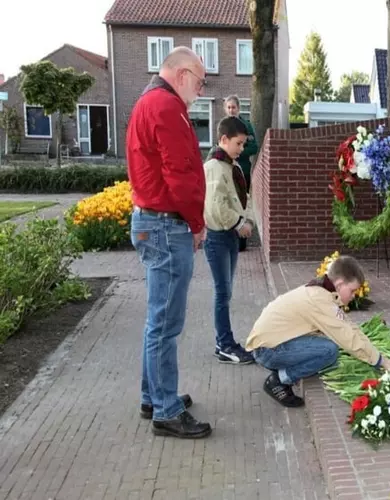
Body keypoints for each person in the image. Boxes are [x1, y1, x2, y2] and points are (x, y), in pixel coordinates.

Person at [127, 46, 211, 439]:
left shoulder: (149, 102)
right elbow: (180, 175)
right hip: (166, 225)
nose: (201, 87)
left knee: (157, 319)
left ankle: (153, 395)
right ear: (181, 75)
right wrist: (196, 223)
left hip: (152, 222)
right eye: (200, 79)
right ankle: (166, 409)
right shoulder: (166, 107)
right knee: (166, 323)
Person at [246, 255, 390, 407]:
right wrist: (382, 362)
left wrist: (378, 356)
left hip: (269, 345)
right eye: (352, 290)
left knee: (328, 342)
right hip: (267, 351)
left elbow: (349, 327)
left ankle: (283, 370)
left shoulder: (321, 290)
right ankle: (279, 380)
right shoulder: (320, 300)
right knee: (329, 351)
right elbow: (347, 337)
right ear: (339, 284)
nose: (353, 296)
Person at [203, 116, 256, 364]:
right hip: (219, 237)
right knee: (222, 293)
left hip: (230, 237)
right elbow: (215, 207)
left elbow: (240, 197)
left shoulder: (230, 165)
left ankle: (224, 342)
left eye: (244, 144)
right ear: (223, 139)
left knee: (226, 292)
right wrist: (239, 224)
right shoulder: (214, 167)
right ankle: (224, 344)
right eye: (238, 143)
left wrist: (248, 221)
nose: (242, 149)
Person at [223, 95, 259, 251]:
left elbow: (254, 147)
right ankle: (228, 238)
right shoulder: (223, 126)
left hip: (242, 171)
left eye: (234, 107)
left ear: (238, 108)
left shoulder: (246, 126)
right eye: (229, 107)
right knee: (228, 203)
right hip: (226, 170)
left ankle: (242, 242)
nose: (231, 110)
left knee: (242, 204)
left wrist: (237, 151)